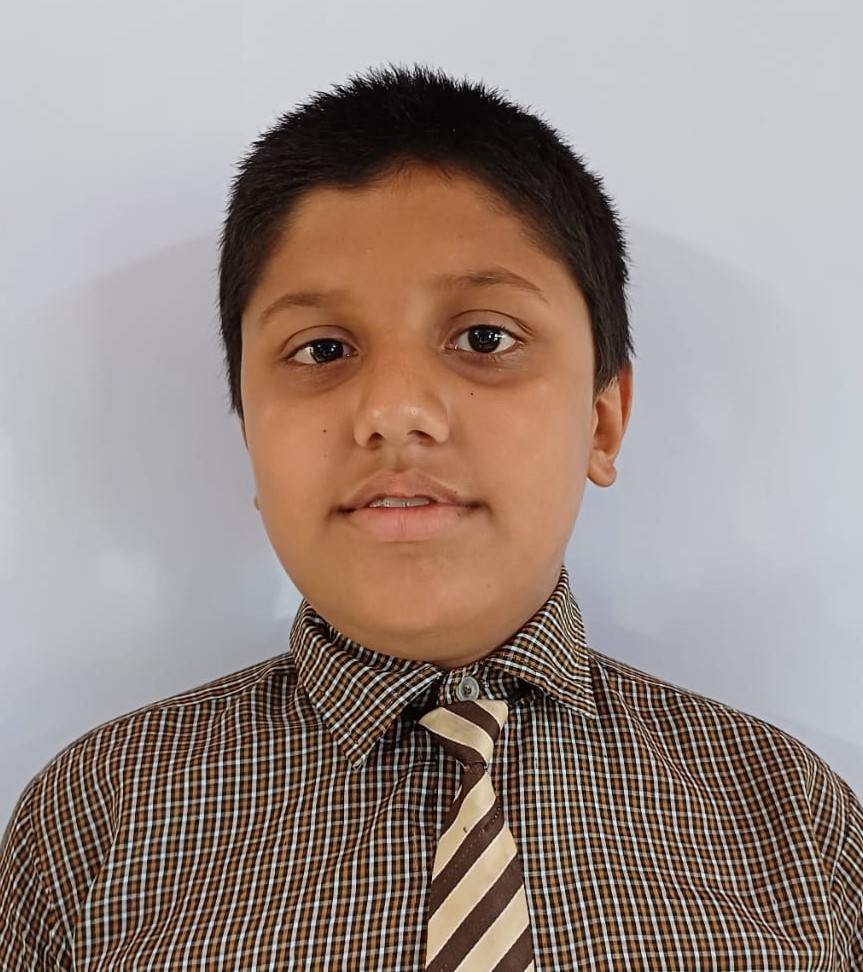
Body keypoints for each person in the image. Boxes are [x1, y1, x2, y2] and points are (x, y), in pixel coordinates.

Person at [0, 64, 860, 971]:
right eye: (321, 349)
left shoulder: (793, 821)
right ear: (250, 436)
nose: (395, 410)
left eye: (485, 337)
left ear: (602, 421)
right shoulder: (96, 820)